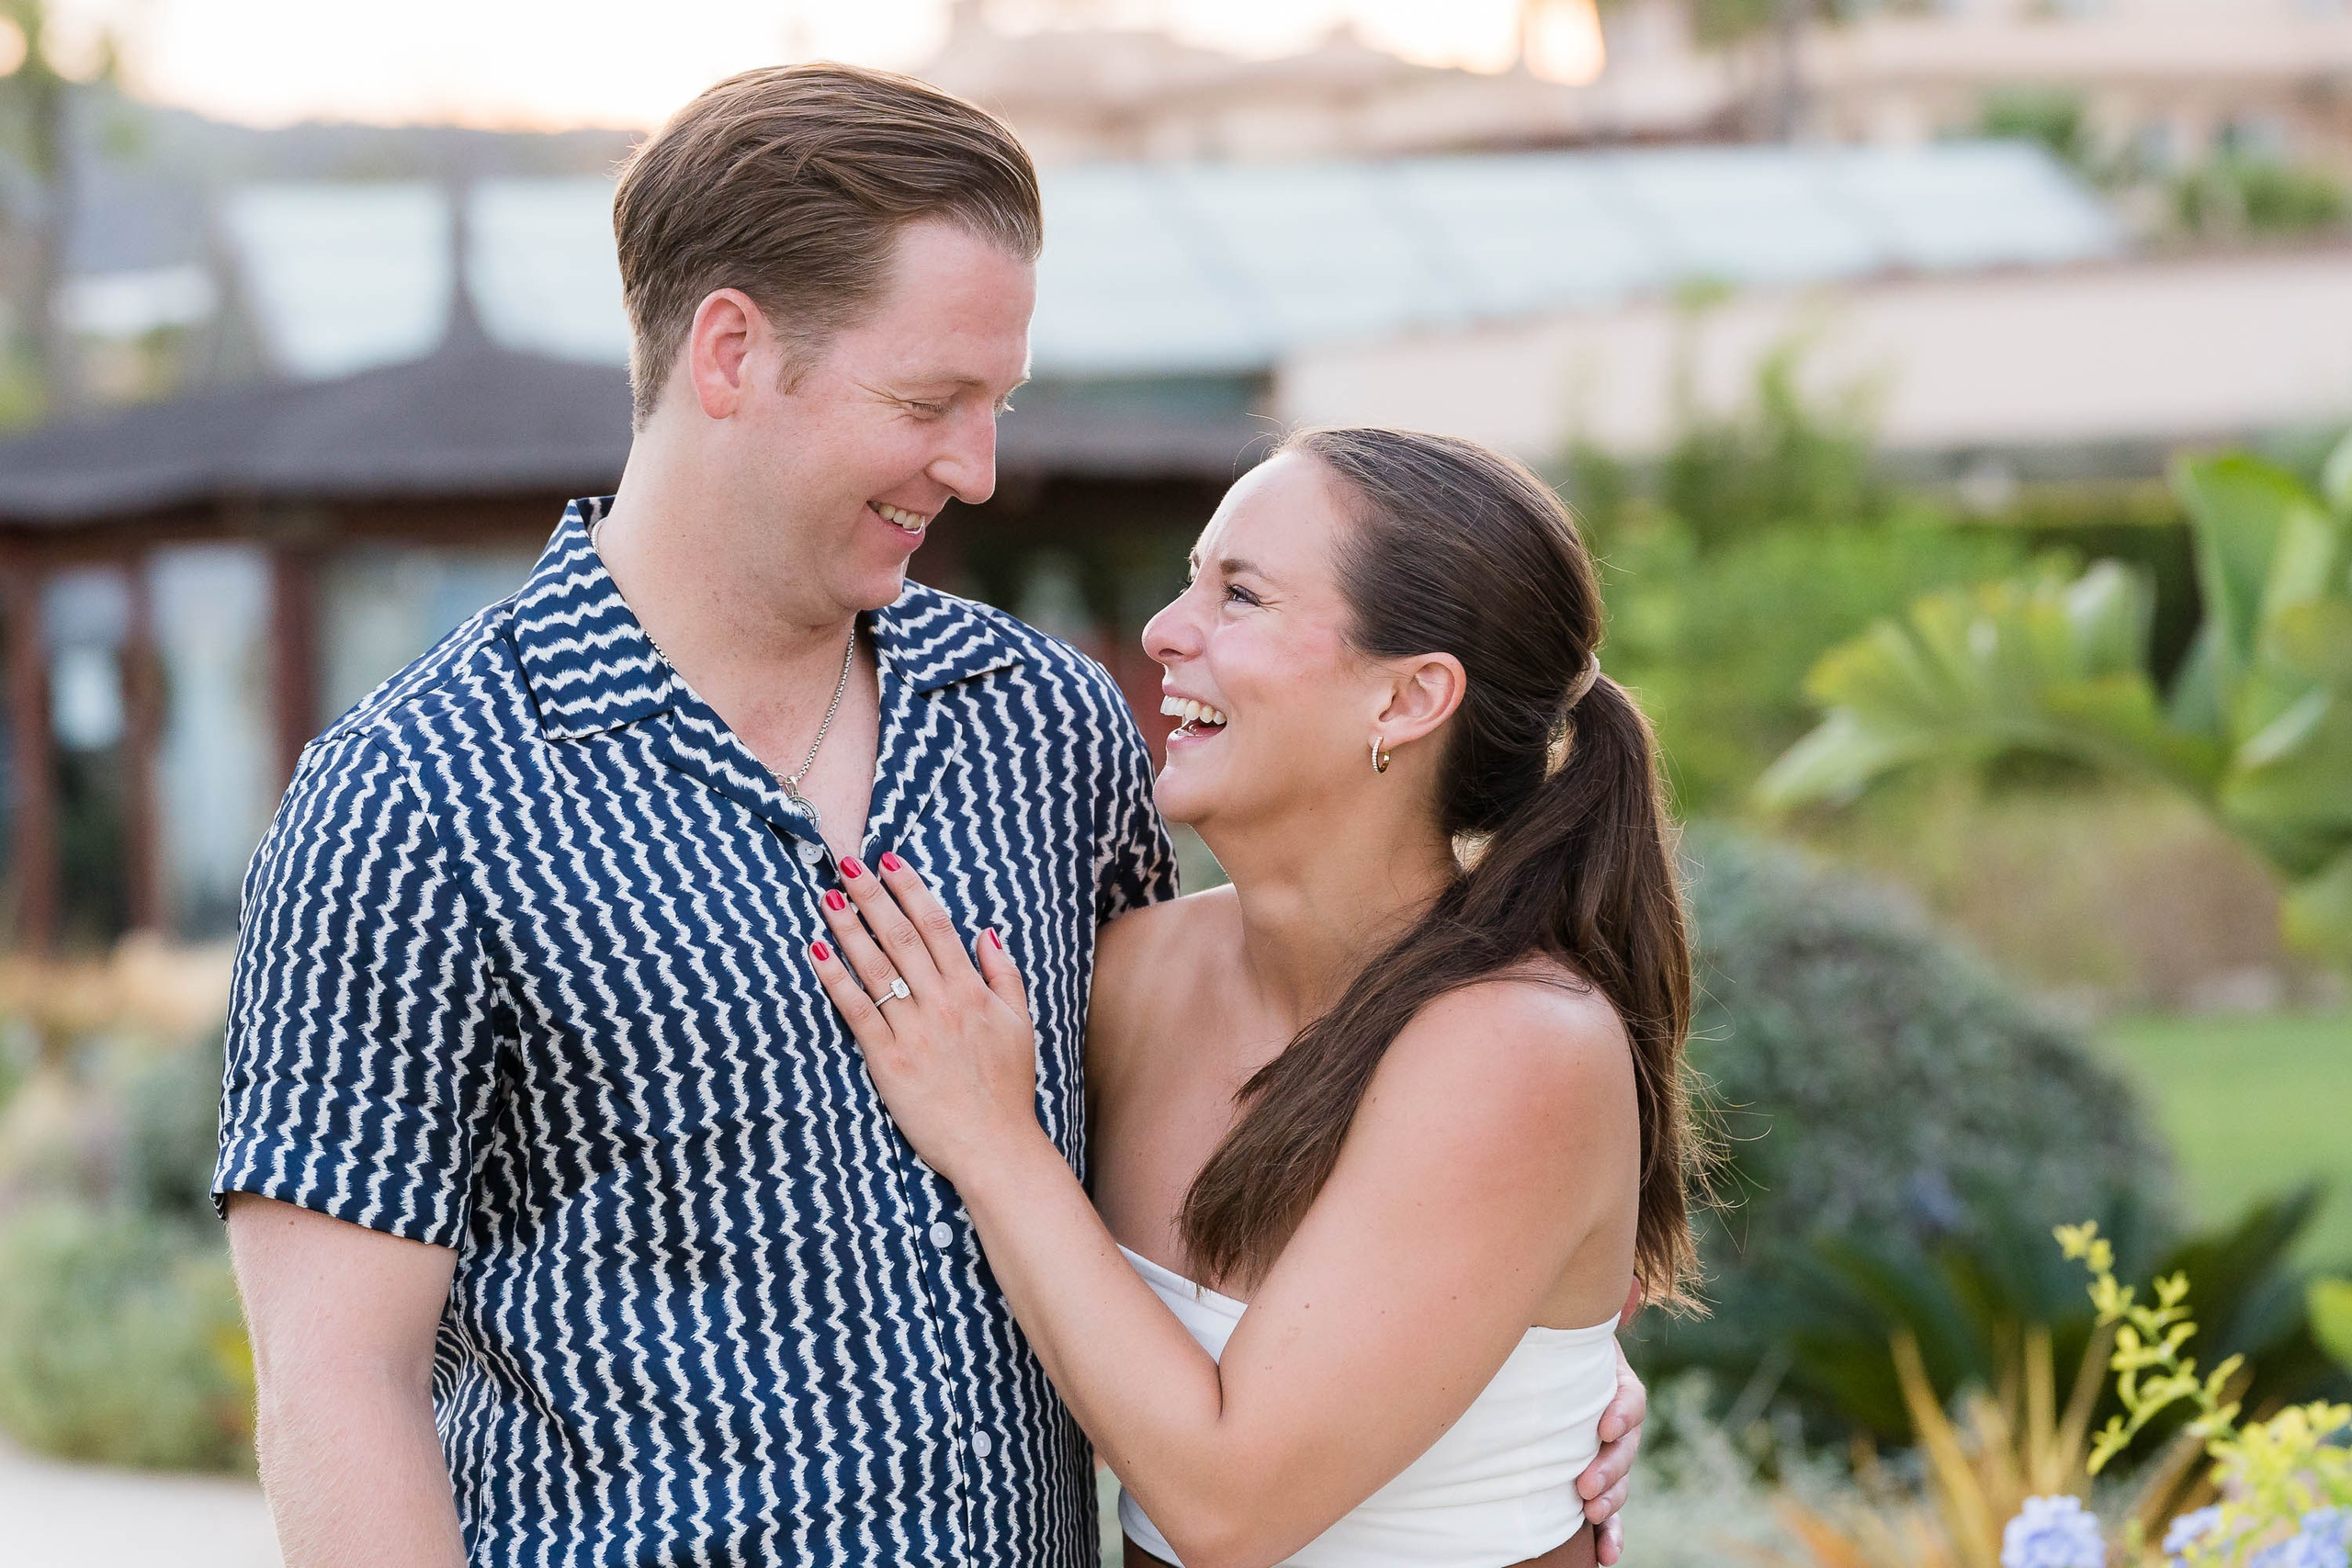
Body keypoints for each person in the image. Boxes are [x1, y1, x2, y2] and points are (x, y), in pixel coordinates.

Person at [209, 67, 1646, 1567]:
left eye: (998, 403)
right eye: (929, 402)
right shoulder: (412, 796)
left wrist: (1530, 1399)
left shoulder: (1050, 730)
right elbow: (336, 1386)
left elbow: (1249, 1178)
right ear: (730, 352)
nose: (977, 467)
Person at [805, 426, 1699, 1568]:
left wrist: (991, 1136)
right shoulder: (1126, 977)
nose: (1165, 633)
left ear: (1409, 698)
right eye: (1190, 583)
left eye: (1239, 595)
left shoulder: (1519, 1043)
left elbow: (1229, 1510)